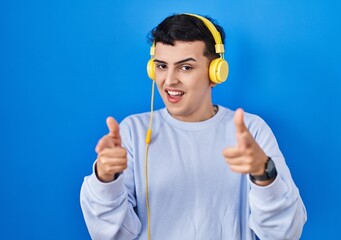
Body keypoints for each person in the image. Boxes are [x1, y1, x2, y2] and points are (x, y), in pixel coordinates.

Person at [80, 13, 307, 240]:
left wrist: (264, 174)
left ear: (216, 72)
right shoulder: (133, 131)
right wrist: (105, 179)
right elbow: (115, 235)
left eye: (185, 68)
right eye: (161, 66)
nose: (169, 81)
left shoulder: (252, 131)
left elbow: (286, 234)